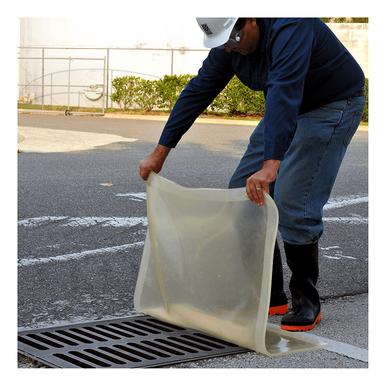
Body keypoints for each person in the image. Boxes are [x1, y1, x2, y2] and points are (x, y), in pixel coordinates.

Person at [139, 18, 365, 332]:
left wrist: (271, 165)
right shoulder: (229, 44)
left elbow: (285, 89)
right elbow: (199, 89)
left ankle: (306, 300)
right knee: (242, 192)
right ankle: (270, 295)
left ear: (252, 20)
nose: (230, 47)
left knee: (293, 202)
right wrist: (160, 152)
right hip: (288, 107)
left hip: (331, 104)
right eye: (222, 43)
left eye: (234, 37)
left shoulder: (291, 25)